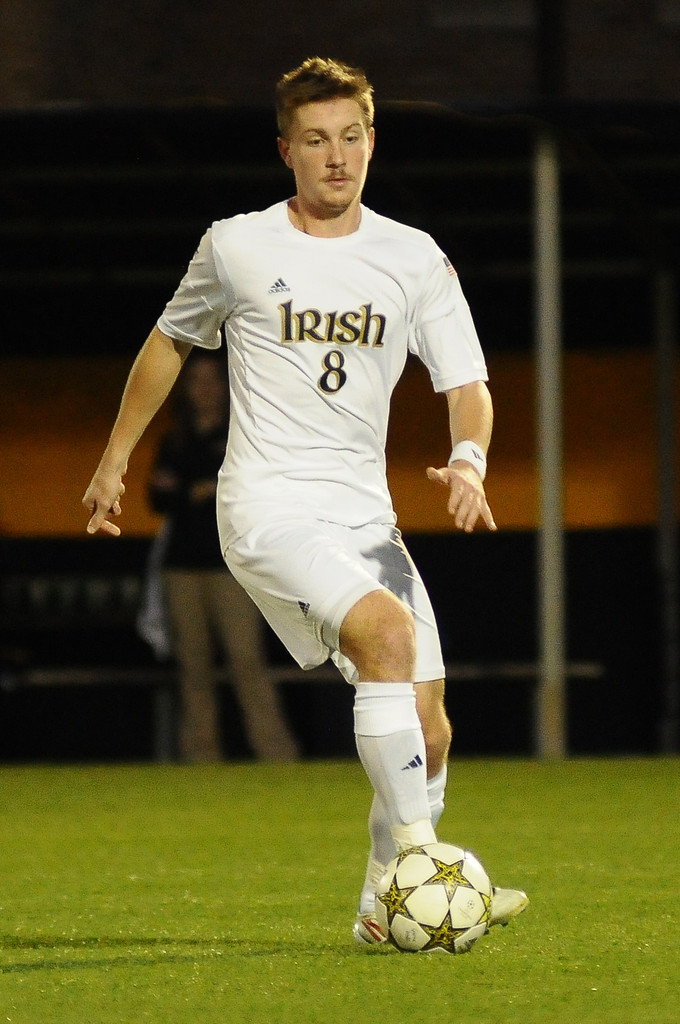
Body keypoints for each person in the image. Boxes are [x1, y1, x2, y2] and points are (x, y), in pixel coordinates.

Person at [83, 56, 528, 944]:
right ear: (286, 150)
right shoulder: (238, 244)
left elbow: (466, 380)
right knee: (387, 636)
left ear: (372, 141)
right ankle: (424, 868)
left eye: (351, 138)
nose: (337, 157)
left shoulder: (412, 257)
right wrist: (113, 460)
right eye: (317, 141)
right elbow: (168, 343)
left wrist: (469, 461)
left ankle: (380, 910)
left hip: (365, 517)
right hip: (267, 506)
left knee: (430, 730)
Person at [146, 350, 299, 762]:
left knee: (247, 662)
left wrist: (195, 489)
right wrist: (196, 490)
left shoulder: (241, 434)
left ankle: (276, 753)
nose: (204, 389)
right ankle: (200, 757)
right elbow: (159, 497)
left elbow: (245, 491)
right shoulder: (175, 438)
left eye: (212, 380)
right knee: (192, 668)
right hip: (182, 567)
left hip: (232, 566)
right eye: (195, 381)